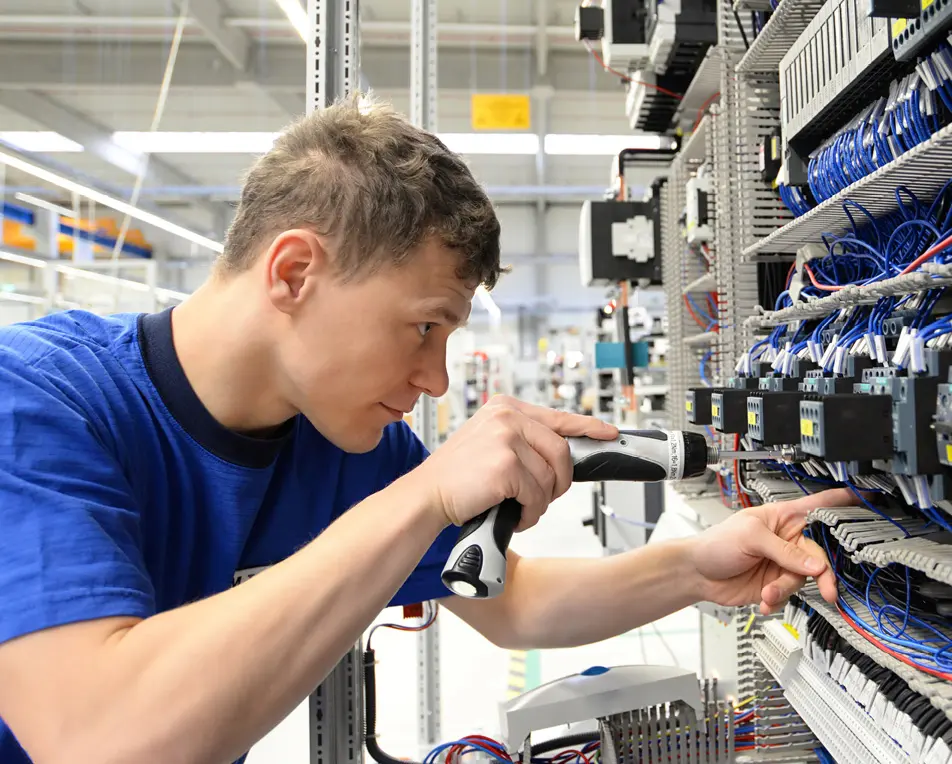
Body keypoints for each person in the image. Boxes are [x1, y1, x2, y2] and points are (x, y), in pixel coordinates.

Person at [0, 95, 848, 764]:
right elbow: (100, 738)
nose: (436, 379)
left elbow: (509, 602)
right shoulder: (37, 401)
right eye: (423, 328)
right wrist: (422, 498)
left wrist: (694, 567)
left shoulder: (341, 444)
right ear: (294, 273)